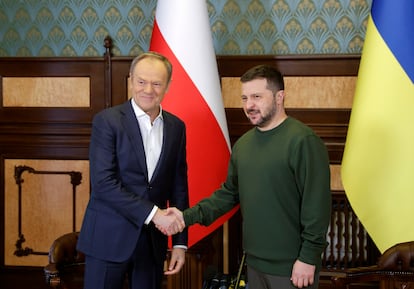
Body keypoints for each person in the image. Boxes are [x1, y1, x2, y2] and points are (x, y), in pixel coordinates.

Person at [166, 64, 331, 289]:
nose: (249, 105)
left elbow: (317, 207)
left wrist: (309, 258)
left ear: (279, 97)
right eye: (244, 98)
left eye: (256, 97)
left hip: (293, 267)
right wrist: (185, 217)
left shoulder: (303, 141)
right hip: (253, 265)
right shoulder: (243, 145)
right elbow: (227, 195)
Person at [77, 51, 188, 289]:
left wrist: (179, 243)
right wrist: (155, 214)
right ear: (130, 80)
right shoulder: (107, 121)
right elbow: (104, 183)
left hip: (152, 245)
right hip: (107, 239)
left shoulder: (176, 127)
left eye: (157, 83)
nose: (148, 89)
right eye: (141, 81)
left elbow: (179, 188)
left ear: (168, 86)